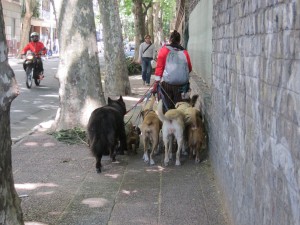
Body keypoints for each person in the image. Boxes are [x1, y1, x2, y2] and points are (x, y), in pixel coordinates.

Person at [152, 30, 192, 111]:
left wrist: (156, 82)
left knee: (167, 107)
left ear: (170, 40)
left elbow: (159, 67)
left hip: (168, 85)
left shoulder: (164, 50)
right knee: (182, 108)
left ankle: (168, 118)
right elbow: (189, 68)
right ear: (179, 41)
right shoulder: (184, 52)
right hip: (182, 86)